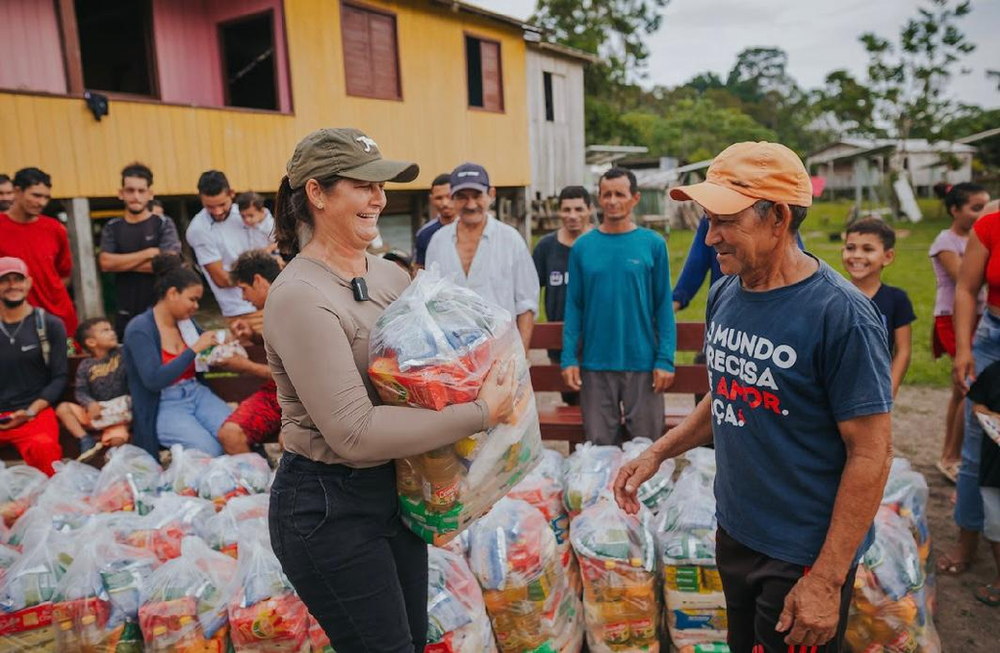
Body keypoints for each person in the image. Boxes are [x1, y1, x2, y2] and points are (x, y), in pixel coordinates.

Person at [615, 142, 893, 652]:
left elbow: (872, 454)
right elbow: (729, 392)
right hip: (737, 529)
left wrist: (826, 580)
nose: (710, 237)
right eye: (706, 219)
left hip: (802, 551)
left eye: (725, 220)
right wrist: (657, 451)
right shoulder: (728, 289)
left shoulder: (841, 316)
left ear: (778, 218)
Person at [264, 128, 516, 652]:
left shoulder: (389, 277)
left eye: (383, 185)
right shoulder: (299, 296)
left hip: (392, 492)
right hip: (328, 508)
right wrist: (481, 412)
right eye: (364, 184)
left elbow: (424, 385)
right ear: (316, 193)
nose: (380, 197)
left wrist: (459, 488)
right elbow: (355, 433)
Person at [561, 167, 675, 445]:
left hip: (643, 363)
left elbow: (663, 306)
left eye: (620, 194)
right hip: (595, 364)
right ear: (599, 199)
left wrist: (665, 359)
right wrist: (568, 358)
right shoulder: (583, 248)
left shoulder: (653, 244)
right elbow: (574, 307)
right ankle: (603, 491)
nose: (612, 201)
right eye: (606, 194)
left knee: (647, 448)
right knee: (599, 449)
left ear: (634, 198)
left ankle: (645, 491)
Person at [939, 203, 1000, 577]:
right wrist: (963, 349)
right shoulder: (990, 224)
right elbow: (966, 287)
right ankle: (967, 541)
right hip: (992, 341)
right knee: (977, 447)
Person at [123, 254, 234, 458]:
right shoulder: (140, 329)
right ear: (173, 293)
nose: (196, 306)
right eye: (192, 299)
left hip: (196, 392)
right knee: (211, 450)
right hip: (164, 402)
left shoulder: (186, 322)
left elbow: (209, 341)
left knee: (236, 433)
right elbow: (154, 380)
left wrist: (235, 334)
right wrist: (192, 350)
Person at [425, 163, 539, 351]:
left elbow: (526, 304)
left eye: (477, 196)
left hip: (502, 354)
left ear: (491, 195)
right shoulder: (438, 242)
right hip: (453, 358)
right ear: (452, 198)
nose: (470, 205)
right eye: (462, 197)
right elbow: (430, 301)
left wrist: (521, 356)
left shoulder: (510, 240)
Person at [930, 182, 991, 482]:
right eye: (976, 208)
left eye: (987, 207)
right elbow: (964, 278)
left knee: (961, 389)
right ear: (955, 210)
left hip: (979, 315)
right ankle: (950, 456)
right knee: (966, 387)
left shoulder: (978, 238)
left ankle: (951, 453)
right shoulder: (946, 242)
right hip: (951, 318)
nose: (983, 214)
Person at [98, 163, 183, 339]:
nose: (136, 196)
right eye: (130, 190)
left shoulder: (163, 224)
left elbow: (169, 264)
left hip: (160, 309)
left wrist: (121, 263)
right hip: (124, 311)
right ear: (121, 193)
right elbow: (105, 263)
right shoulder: (112, 227)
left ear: (150, 194)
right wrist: (148, 253)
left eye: (141, 191)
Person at [0, 257, 67, 475]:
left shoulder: (49, 324)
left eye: (18, 279)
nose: (12, 286)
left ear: (28, 283)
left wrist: (29, 411)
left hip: (33, 412)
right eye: (5, 280)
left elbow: (60, 377)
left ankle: (50, 505)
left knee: (44, 447)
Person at [185, 170, 273, 334]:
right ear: (200, 198)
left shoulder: (245, 211)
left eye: (222, 204)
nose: (217, 211)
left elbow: (274, 237)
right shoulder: (198, 229)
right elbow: (221, 279)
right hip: (241, 311)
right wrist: (269, 269)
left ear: (231, 194)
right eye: (210, 206)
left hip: (274, 299)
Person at [216, 250, 282, 454]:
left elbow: (297, 377)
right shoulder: (273, 308)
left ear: (258, 280)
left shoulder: (294, 305)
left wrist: (245, 367)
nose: (244, 298)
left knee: (292, 442)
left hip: (305, 398)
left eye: (244, 289)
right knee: (230, 434)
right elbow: (284, 348)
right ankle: (256, 479)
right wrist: (253, 336)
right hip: (277, 393)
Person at [841, 218, 915, 397]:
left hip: (875, 386)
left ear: (888, 256)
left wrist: (891, 387)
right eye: (851, 248)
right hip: (836, 384)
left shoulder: (897, 299)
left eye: (868, 249)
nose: (857, 255)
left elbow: (903, 350)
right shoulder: (831, 296)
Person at [533, 185, 593, 405]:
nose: (572, 216)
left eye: (579, 209)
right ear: (559, 212)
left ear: (590, 209)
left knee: (599, 399)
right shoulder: (546, 247)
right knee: (571, 398)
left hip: (595, 338)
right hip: (558, 338)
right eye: (566, 210)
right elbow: (530, 290)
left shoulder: (599, 242)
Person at [0, 167, 77, 335]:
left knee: (68, 357)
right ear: (17, 191)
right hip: (14, 320)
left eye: (46, 197)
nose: (41, 202)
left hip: (62, 318)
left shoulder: (56, 229)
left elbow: (64, 274)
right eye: (36, 195)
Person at [56, 317, 130, 454]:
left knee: (118, 440)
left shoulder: (122, 353)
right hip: (94, 412)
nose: (112, 333)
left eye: (111, 329)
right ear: (91, 342)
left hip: (118, 415)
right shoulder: (85, 366)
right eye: (105, 331)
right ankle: (84, 439)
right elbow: (81, 391)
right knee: (62, 408)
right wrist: (89, 403)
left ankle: (114, 461)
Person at [965, 362, 1000, 606]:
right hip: (994, 469)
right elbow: (976, 404)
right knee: (995, 525)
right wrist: (988, 415)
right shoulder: (994, 372)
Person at [412, 173, 455, 270]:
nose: (445, 203)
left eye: (450, 196)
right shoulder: (424, 234)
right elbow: (419, 269)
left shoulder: (474, 228)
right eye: (439, 198)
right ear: (431, 199)